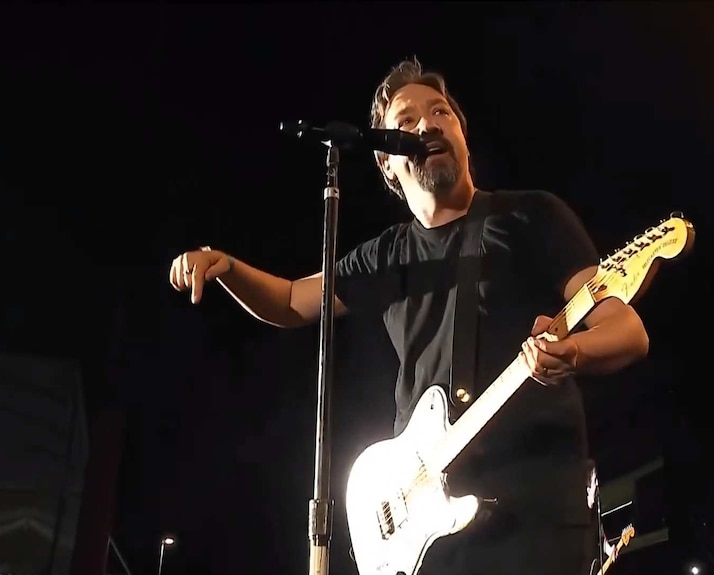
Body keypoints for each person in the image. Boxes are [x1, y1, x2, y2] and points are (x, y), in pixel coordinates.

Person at [168, 58, 649, 575]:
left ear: (463, 136)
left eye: (441, 112)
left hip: (533, 513)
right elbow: (291, 301)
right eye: (407, 121)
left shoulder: (532, 215)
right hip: (424, 522)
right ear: (386, 162)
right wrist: (227, 268)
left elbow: (626, 328)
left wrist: (572, 350)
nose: (427, 124)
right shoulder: (387, 255)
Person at [586, 462, 619, 575]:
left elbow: (601, 538)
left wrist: (610, 551)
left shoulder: (596, 511)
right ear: (588, 489)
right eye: (595, 480)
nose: (598, 483)